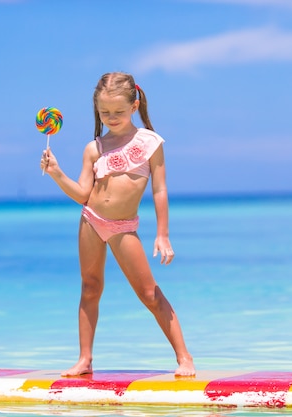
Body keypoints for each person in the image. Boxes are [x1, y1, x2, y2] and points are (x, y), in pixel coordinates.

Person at [40, 72, 195, 377]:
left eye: (119, 112)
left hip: (124, 227)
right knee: (90, 287)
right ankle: (85, 359)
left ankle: (184, 357)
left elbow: (159, 189)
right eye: (104, 112)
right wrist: (57, 173)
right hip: (91, 221)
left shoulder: (150, 142)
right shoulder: (94, 148)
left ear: (135, 105)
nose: (111, 118)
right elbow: (83, 194)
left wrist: (162, 234)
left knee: (149, 293)